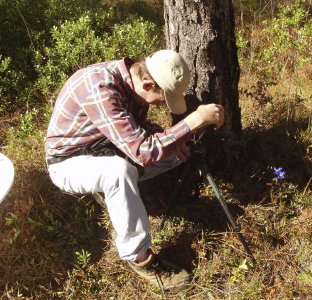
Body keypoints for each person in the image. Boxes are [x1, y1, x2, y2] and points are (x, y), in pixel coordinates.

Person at [45, 49, 225, 290]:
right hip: (68, 163)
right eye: (163, 98)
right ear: (149, 83)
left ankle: (115, 194)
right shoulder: (100, 86)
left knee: (177, 152)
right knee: (118, 171)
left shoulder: (132, 82)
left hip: (105, 147)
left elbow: (137, 128)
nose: (162, 103)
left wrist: (173, 140)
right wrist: (191, 123)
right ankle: (139, 257)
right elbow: (143, 151)